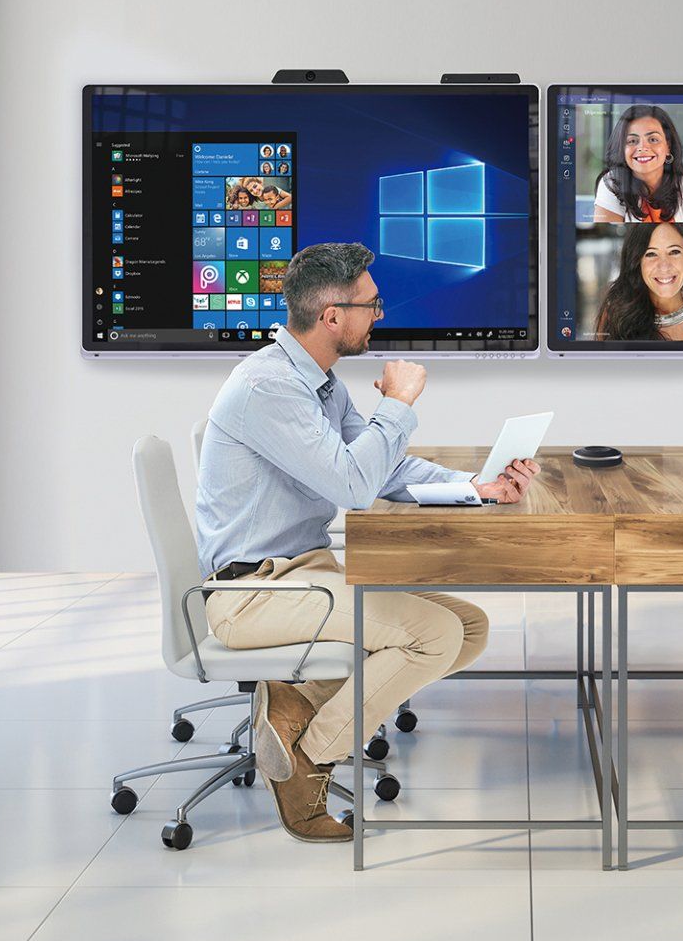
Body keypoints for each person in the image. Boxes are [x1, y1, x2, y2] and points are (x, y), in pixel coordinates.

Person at [193, 242, 539, 841]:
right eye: (371, 305)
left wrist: (476, 487)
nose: (379, 315)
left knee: (469, 627)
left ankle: (294, 709)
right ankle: (312, 757)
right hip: (252, 593)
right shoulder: (269, 388)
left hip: (302, 576)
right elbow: (353, 485)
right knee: (433, 636)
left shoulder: (318, 384)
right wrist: (398, 403)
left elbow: (386, 468)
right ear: (332, 316)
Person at [594, 222, 683, 341]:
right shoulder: (616, 313)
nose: (664, 266)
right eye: (651, 254)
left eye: (674, 252)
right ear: (637, 262)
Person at [591, 104, 683, 222]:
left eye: (653, 139)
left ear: (668, 146)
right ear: (622, 149)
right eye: (632, 140)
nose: (642, 147)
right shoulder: (611, 183)